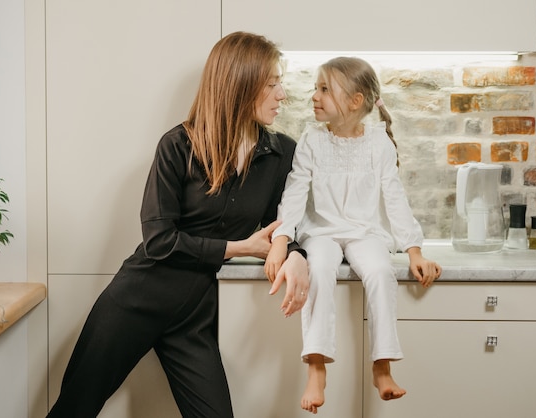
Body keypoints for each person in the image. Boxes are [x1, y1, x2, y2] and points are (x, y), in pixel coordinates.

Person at [47, 31, 310, 418]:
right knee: (74, 409)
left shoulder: (280, 152)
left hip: (194, 316)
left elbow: (281, 227)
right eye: (272, 83)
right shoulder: (177, 146)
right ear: (240, 84)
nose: (281, 94)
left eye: (279, 83)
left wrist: (298, 254)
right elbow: (158, 241)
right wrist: (236, 249)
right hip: (136, 299)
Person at [264, 56, 442, 414]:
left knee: (379, 271)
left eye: (324, 89)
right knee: (321, 268)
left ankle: (382, 366)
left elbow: (395, 199)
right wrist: (281, 240)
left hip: (366, 233)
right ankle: (315, 366)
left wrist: (414, 250)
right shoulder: (312, 141)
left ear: (355, 101)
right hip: (322, 234)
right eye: (316, 87)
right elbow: (295, 194)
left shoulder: (379, 144)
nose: (314, 96)